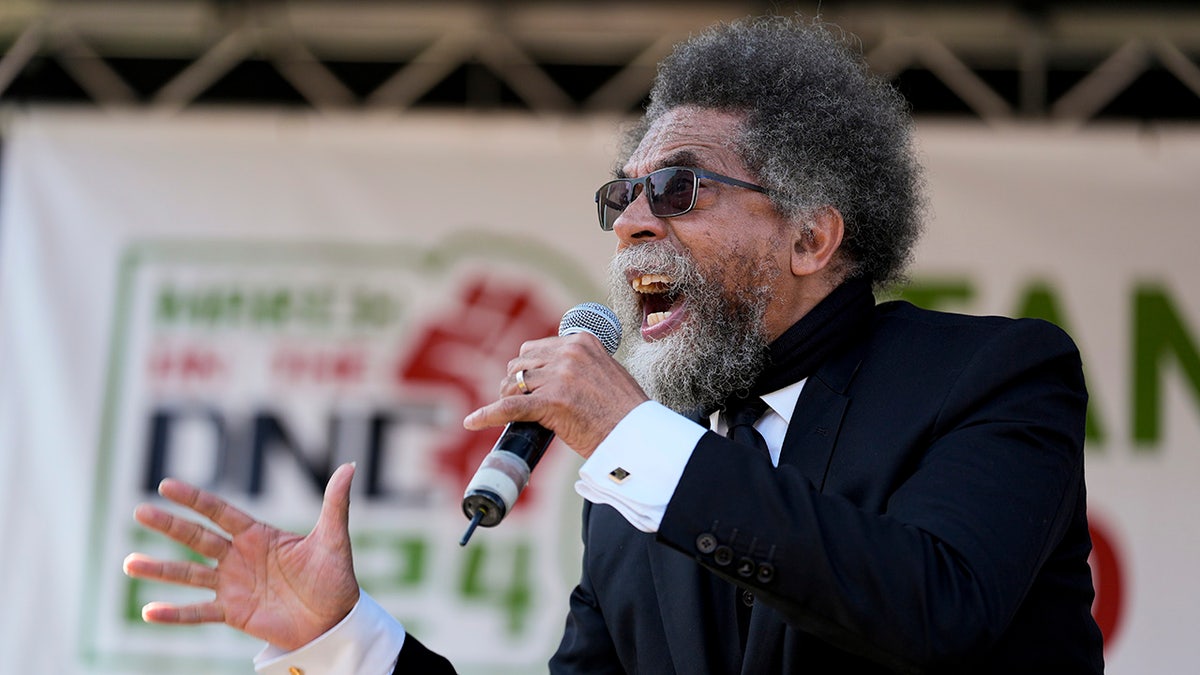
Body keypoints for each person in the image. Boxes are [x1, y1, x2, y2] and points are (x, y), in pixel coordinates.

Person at [123, 15, 1105, 674]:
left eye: (677, 187)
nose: (631, 221)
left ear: (811, 237)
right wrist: (349, 642)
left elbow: (939, 608)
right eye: (620, 194)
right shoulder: (631, 497)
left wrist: (631, 437)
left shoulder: (990, 376)